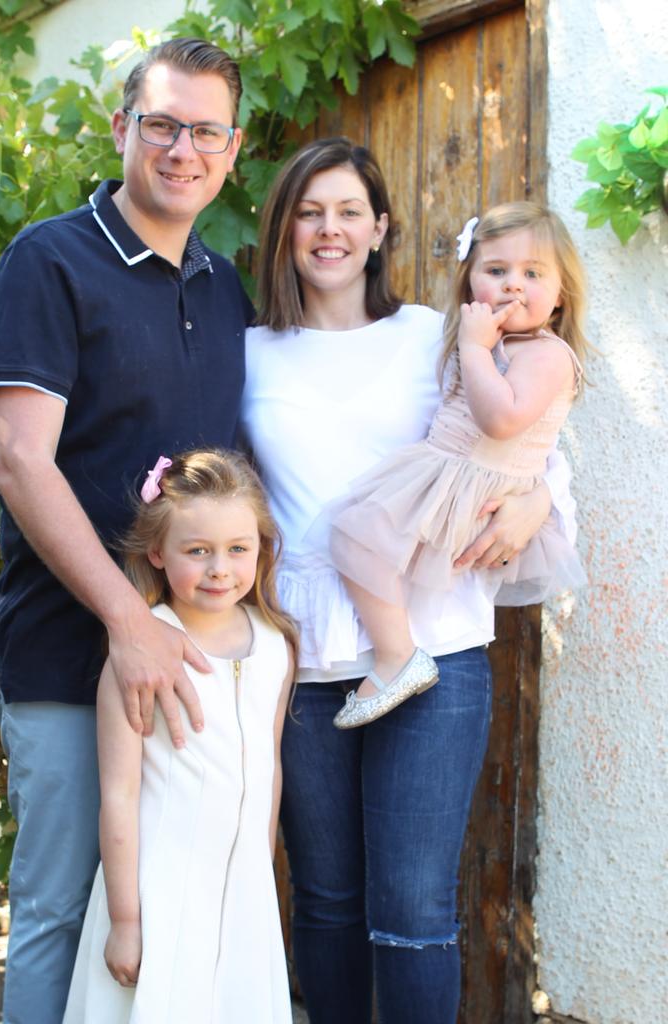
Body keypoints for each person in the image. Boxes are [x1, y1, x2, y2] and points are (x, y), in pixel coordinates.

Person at [240, 138, 580, 1024]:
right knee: (325, 900)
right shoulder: (246, 353)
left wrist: (539, 500)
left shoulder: (434, 335)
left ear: (382, 227)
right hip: (307, 662)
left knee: (415, 914)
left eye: (350, 210)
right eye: (309, 211)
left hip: (437, 645)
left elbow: (518, 437)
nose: (330, 229)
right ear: (282, 230)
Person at [0, 38, 252, 1024]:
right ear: (122, 129)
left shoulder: (226, 286)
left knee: (161, 909)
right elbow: (21, 461)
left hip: (188, 661)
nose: (184, 149)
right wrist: (128, 624)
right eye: (164, 123)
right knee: (60, 906)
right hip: (65, 651)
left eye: (206, 131)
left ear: (232, 146)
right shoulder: (49, 260)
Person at [317, 201, 589, 728]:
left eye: (533, 273)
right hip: (447, 467)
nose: (513, 286)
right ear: (470, 286)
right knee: (355, 536)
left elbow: (501, 420)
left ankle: (399, 658)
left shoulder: (546, 354)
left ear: (561, 296)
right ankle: (398, 653)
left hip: (475, 480)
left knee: (357, 533)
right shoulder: (495, 343)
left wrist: (474, 348)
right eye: (496, 271)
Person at [62, 449, 296, 1024]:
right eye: (198, 551)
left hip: (241, 890)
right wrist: (126, 922)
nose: (221, 568)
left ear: (261, 548)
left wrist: (258, 874)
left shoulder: (275, 643)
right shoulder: (142, 650)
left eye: (238, 549)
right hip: (159, 892)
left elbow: (269, 766)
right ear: (157, 554)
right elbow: (118, 793)